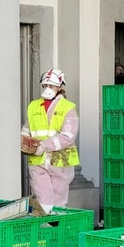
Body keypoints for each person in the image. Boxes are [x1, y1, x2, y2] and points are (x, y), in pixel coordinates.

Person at [21, 69, 79, 213]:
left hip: (60, 161)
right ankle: (44, 232)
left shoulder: (67, 108)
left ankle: (56, 232)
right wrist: (22, 143)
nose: (47, 89)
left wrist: (43, 146)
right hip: (38, 161)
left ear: (60, 87)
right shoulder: (34, 106)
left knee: (58, 204)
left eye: (51, 86)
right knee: (43, 203)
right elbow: (27, 129)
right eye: (45, 85)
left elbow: (68, 136)